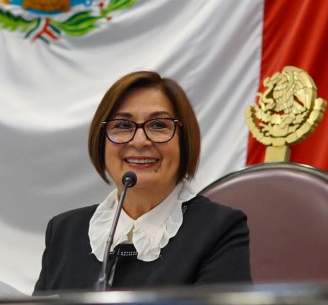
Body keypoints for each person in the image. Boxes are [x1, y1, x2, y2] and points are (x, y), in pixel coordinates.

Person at [34, 70, 251, 293]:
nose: (139, 141)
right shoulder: (64, 231)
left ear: (184, 141)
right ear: (101, 141)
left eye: (158, 125)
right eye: (122, 125)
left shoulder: (220, 229)